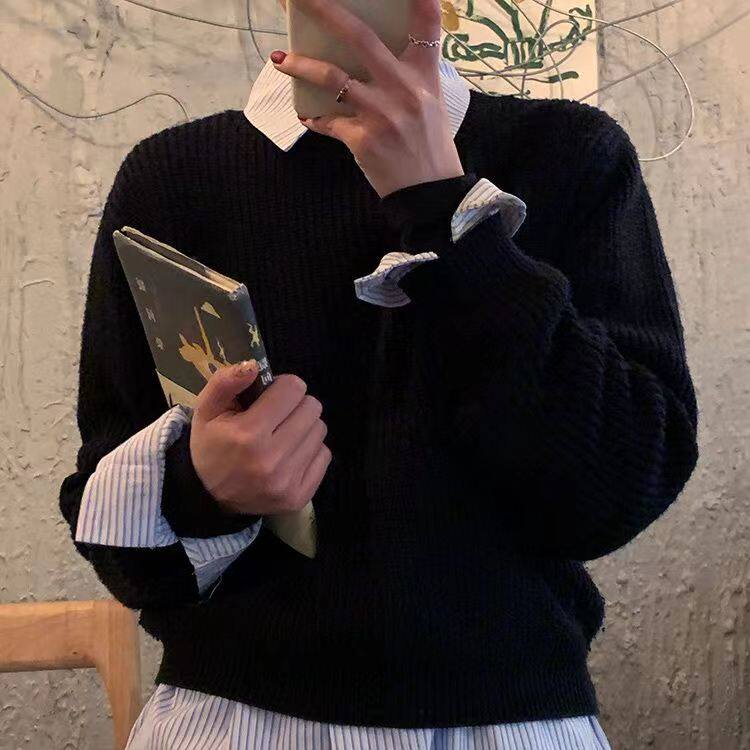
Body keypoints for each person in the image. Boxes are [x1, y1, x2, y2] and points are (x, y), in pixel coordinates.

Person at [58, 0, 699, 747]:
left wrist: (443, 208)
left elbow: (618, 489)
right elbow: (117, 541)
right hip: (232, 717)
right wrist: (203, 487)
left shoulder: (569, 154)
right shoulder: (175, 177)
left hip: (509, 719)